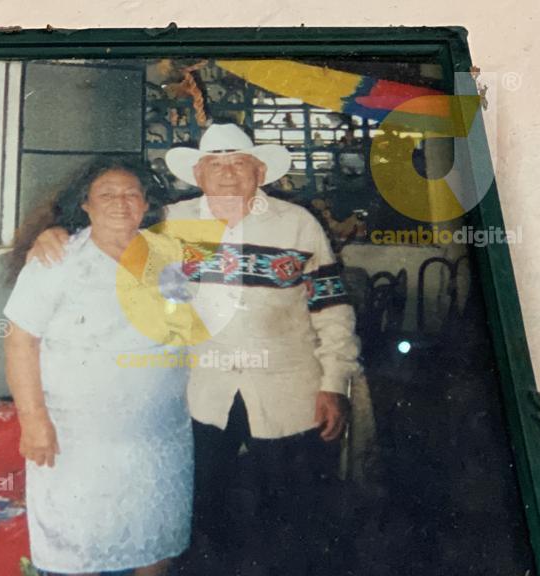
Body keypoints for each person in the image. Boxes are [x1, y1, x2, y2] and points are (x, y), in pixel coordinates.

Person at [28, 124, 363, 575]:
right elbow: (106, 229)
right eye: (215, 165)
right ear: (198, 174)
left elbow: (332, 309)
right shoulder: (167, 221)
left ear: (260, 171)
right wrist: (54, 232)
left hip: (290, 390)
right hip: (199, 394)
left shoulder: (299, 224)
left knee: (295, 515)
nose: (227, 173)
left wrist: (334, 382)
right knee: (202, 514)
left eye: (239, 163)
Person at [2, 158, 197, 576]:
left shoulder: (168, 254)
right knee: (81, 543)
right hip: (81, 436)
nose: (120, 203)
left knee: (155, 535)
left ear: (146, 204)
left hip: (159, 433)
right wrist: (33, 421)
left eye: (131, 194)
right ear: (85, 205)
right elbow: (20, 340)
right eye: (106, 194)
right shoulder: (58, 259)